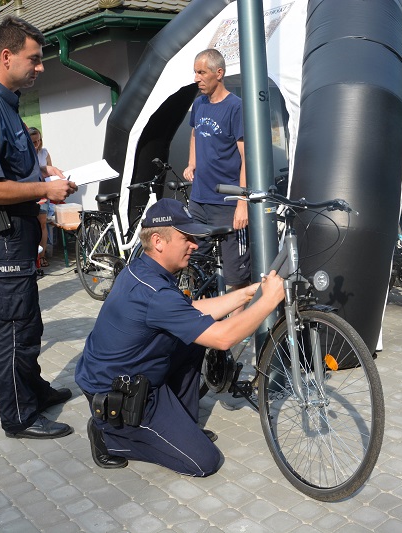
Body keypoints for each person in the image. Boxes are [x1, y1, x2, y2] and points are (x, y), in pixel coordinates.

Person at [75, 198, 285, 476]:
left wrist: (246, 294)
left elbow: (191, 311)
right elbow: (223, 338)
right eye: (186, 238)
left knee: (192, 340)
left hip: (128, 376)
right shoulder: (155, 291)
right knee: (203, 462)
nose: (195, 245)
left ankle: (181, 427)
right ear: (159, 242)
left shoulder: (143, 269)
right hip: (119, 396)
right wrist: (267, 303)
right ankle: (108, 437)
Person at [0, 15, 78, 439]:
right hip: (0, 232)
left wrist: (44, 175)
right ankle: (18, 416)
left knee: (27, 322)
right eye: (34, 58)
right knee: (11, 327)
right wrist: (44, 188)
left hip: (16, 230)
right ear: (6, 57)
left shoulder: (4, 101)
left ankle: (33, 391)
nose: (40, 67)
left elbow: (11, 166)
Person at [183, 48, 250, 297]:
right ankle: (205, 314)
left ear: (219, 73)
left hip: (227, 204)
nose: (196, 78)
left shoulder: (236, 107)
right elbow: (195, 133)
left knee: (236, 276)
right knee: (195, 263)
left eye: (201, 72)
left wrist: (242, 203)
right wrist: (192, 163)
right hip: (199, 200)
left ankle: (240, 322)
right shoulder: (199, 104)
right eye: (195, 72)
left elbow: (247, 157)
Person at [28, 126, 52, 269]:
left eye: (39, 141)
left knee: (42, 223)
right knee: (31, 224)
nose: (37, 144)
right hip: (30, 193)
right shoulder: (25, 154)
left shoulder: (44, 153)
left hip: (43, 192)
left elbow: (50, 172)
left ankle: (42, 256)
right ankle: (32, 257)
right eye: (33, 142)